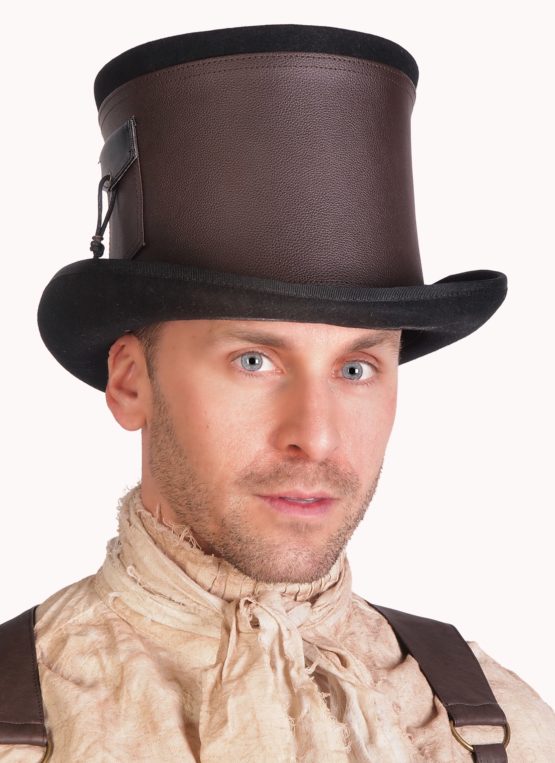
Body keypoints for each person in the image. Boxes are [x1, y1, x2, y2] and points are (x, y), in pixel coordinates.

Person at [1, 22, 554, 763]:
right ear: (131, 381)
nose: (315, 437)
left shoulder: (504, 722)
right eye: (254, 360)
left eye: (356, 368)